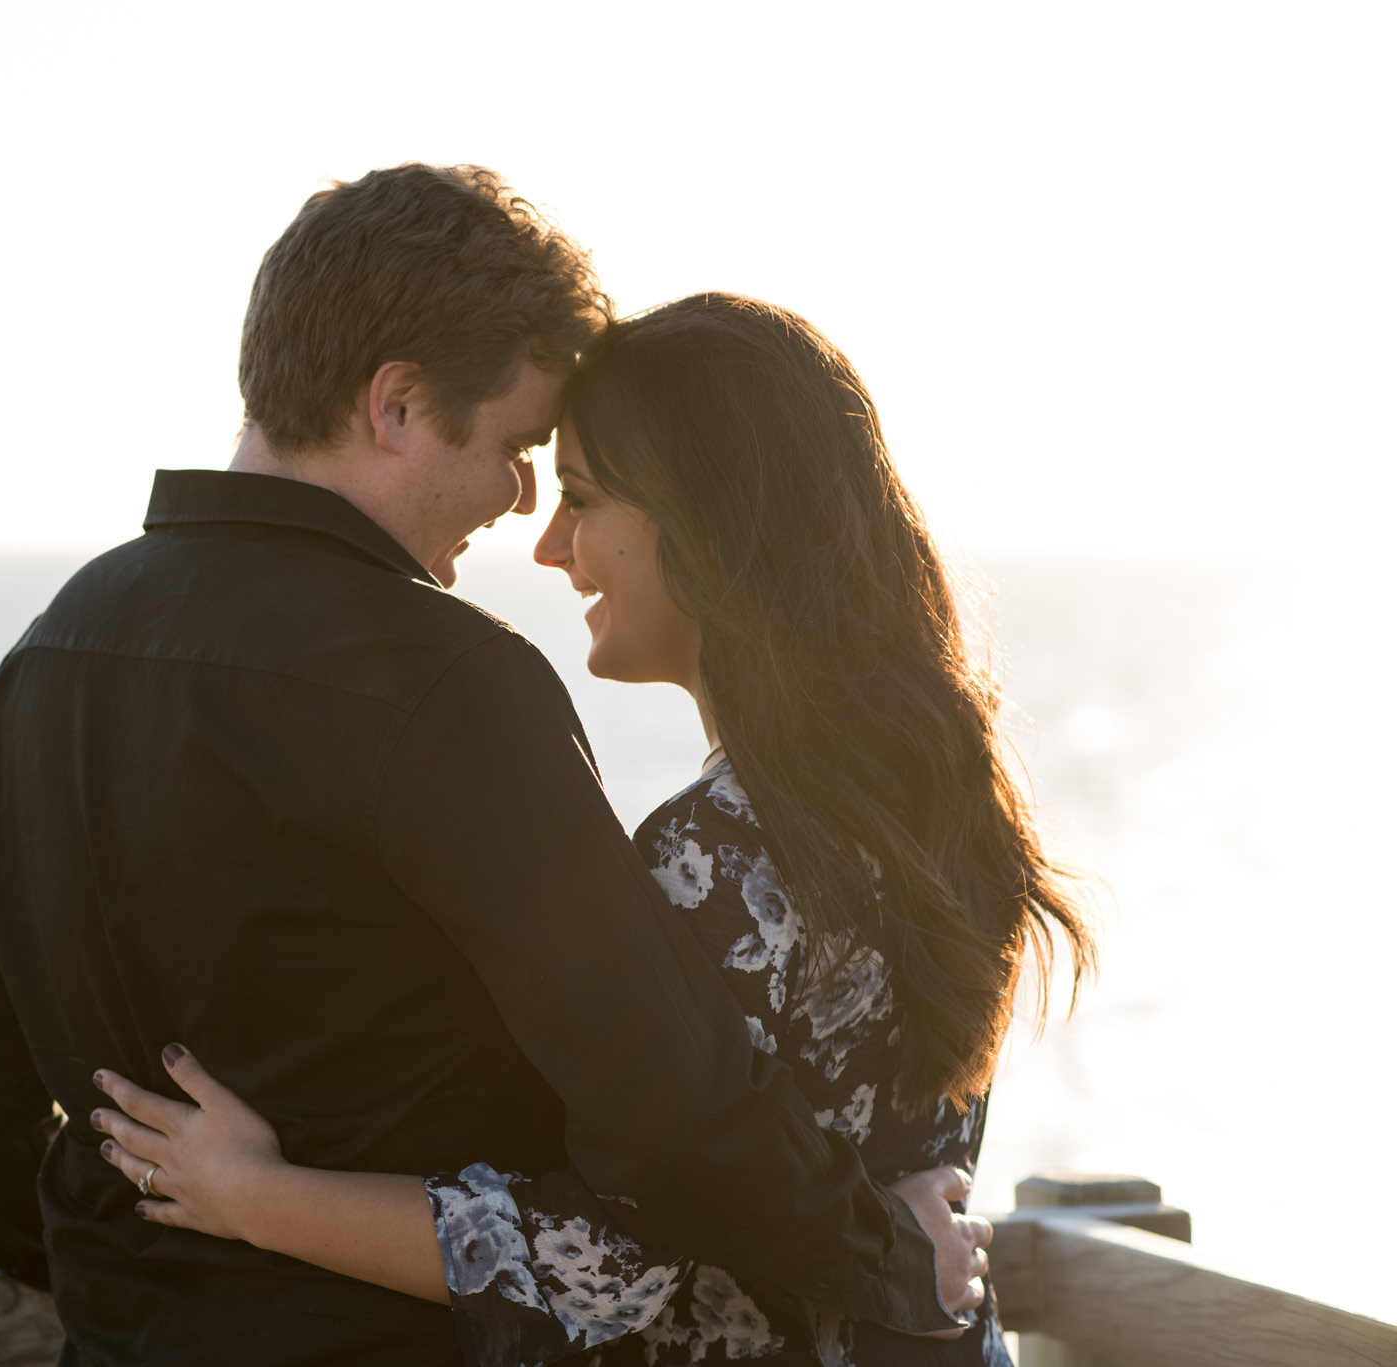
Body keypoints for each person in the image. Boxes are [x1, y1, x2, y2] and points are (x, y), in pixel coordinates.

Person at [0, 169, 987, 1366]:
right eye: (517, 445)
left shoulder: (45, 660)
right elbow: (665, 1111)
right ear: (397, 405)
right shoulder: (443, 685)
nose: (518, 500)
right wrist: (892, 1263)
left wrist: (119, 1287)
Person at [85, 293, 1095, 1364]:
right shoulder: (941, 802)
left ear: (706, 521)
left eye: (580, 497)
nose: (552, 545)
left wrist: (254, 1193)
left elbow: (607, 1258)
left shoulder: (720, 853)